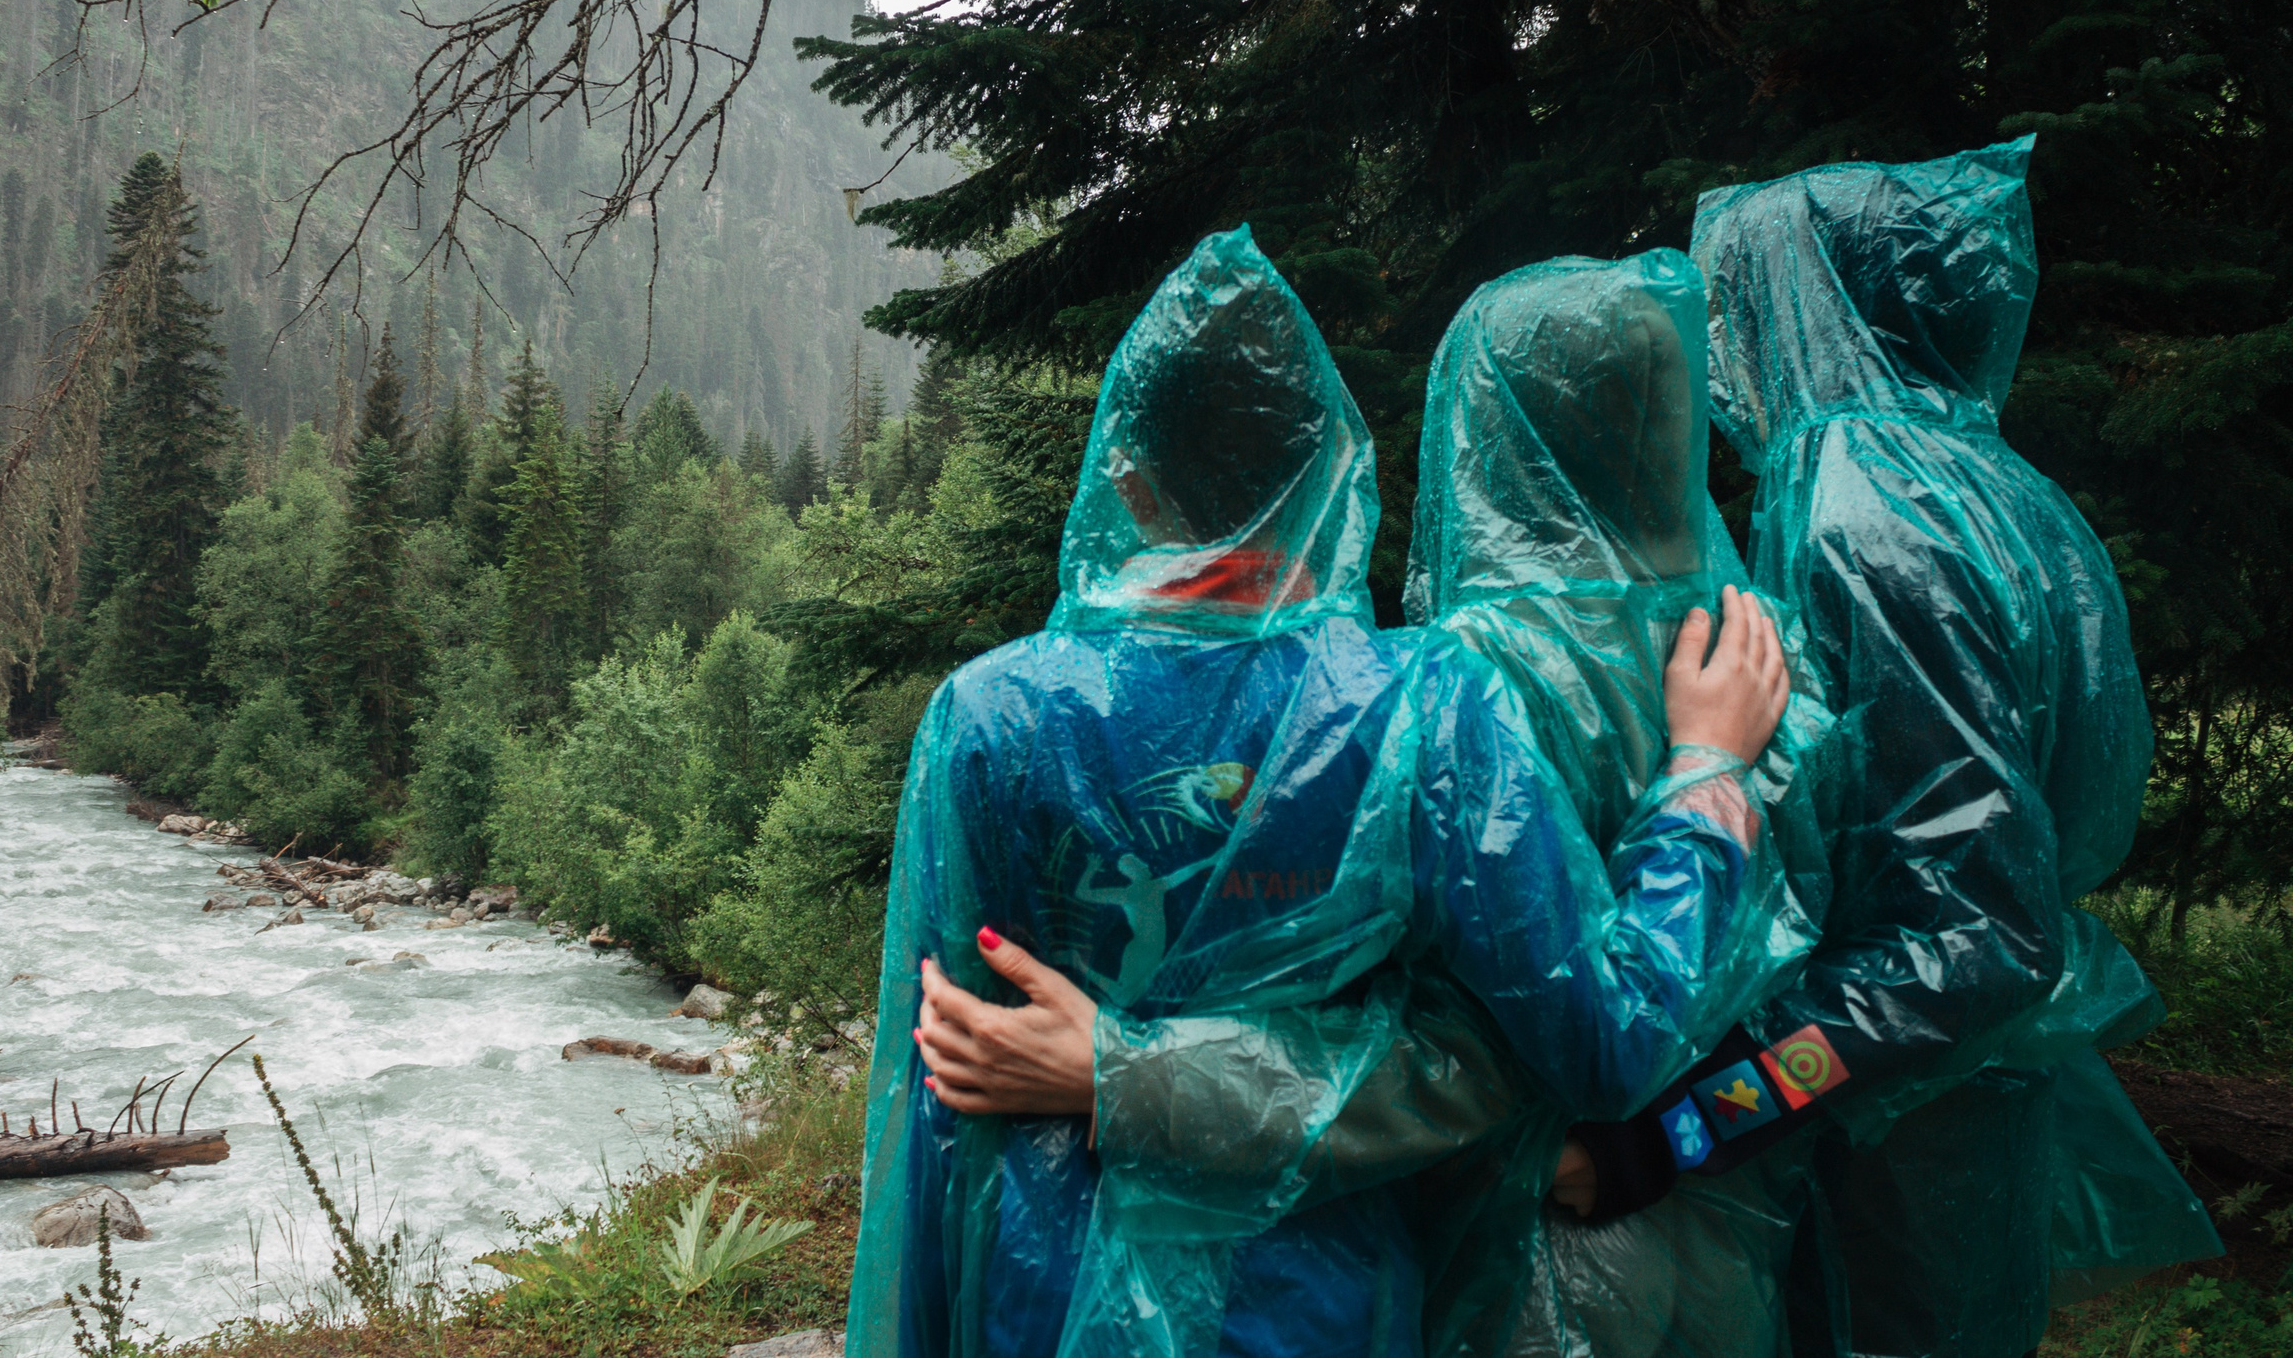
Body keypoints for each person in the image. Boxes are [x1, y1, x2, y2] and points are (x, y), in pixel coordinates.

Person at [858, 228, 1796, 1358]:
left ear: (1128, 479)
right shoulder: (1419, 706)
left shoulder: (987, 716)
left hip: (1030, 1295)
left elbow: (936, 1102)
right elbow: (1597, 1042)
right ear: (1328, 472)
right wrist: (1704, 782)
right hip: (1312, 1306)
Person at [1559, 139, 2216, 1358]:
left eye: (1738, 296)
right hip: (1955, 1122)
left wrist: (1684, 1132)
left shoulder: (1864, 504)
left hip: (1890, 1146)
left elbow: (1967, 941)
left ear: (1809, 304)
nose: (1720, 348)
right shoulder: (1992, 480)